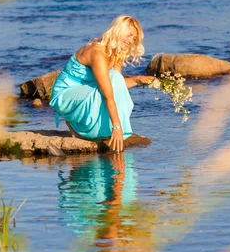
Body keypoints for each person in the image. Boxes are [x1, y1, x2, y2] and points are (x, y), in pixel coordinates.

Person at [49, 15, 155, 152]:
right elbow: (108, 93)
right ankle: (77, 125)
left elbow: (116, 85)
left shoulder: (116, 54)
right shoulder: (97, 52)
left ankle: (83, 125)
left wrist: (138, 80)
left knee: (115, 78)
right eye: (129, 35)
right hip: (65, 95)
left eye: (134, 39)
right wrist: (117, 127)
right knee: (113, 83)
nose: (130, 41)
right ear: (118, 31)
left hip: (84, 91)